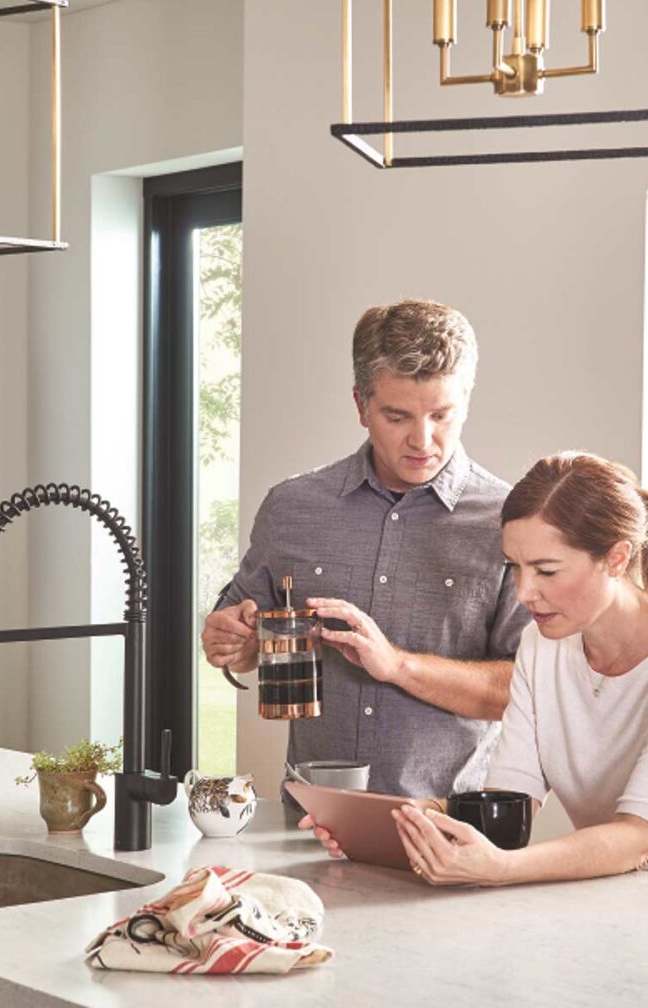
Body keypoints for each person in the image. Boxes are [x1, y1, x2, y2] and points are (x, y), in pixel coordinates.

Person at [308, 452, 648, 897]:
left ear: (616, 558)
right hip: (640, 897)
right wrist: (411, 823)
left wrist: (501, 868)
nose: (524, 593)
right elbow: (511, 797)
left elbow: (638, 837)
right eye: (515, 567)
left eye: (546, 571)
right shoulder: (542, 646)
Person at [200, 299, 530, 798]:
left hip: (450, 827)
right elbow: (238, 644)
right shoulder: (291, 507)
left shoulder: (510, 521)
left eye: (442, 415)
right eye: (397, 417)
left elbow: (524, 690)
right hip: (309, 819)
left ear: (467, 399)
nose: (423, 440)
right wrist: (232, 643)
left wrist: (398, 665)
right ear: (360, 405)